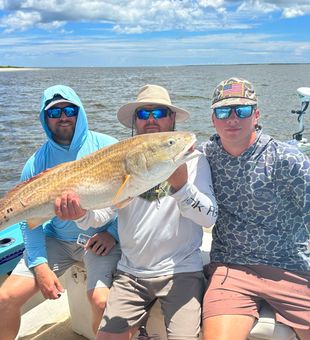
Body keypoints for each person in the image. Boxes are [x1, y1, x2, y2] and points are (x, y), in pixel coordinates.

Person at [61, 84, 218, 339]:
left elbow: (209, 217)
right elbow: (103, 213)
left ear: (172, 118)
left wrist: (182, 188)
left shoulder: (194, 160)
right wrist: (80, 214)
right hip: (132, 273)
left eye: (160, 112)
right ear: (135, 122)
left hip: (181, 271)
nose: (152, 119)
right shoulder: (123, 160)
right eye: (144, 114)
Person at [0, 85, 121, 339]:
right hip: (56, 240)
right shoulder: (35, 163)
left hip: (99, 241)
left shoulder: (109, 147)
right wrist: (40, 265)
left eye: (69, 110)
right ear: (45, 119)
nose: (63, 116)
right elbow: (28, 222)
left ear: (80, 112)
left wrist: (112, 233)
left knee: (102, 302)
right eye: (54, 113)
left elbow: (129, 200)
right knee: (5, 298)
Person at [200, 77, 310, 340]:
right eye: (223, 111)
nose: (233, 119)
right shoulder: (203, 156)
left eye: (243, 110)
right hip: (231, 269)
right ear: (213, 119)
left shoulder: (288, 160)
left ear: (257, 114)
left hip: (289, 268)